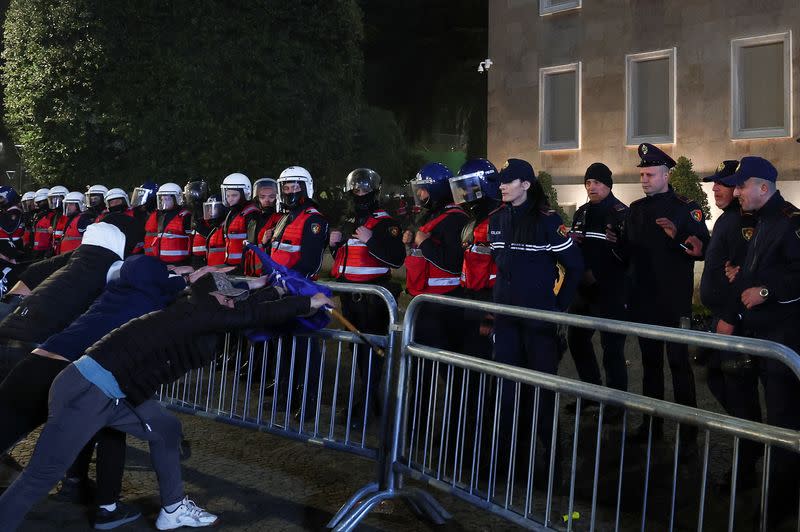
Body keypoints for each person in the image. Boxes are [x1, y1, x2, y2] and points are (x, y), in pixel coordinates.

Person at [0, 270, 334, 530]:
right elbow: (247, 317)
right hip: (88, 392)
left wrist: (277, 288)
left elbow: (245, 307)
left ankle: (172, 509)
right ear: (212, 298)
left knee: (165, 429)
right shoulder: (199, 314)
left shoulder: (198, 307)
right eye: (227, 297)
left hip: (114, 390)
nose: (233, 301)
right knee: (39, 477)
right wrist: (309, 303)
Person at [0, 254, 189, 528]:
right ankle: (106, 508)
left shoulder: (112, 291)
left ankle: (80, 489)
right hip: (75, 377)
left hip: (35, 362)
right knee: (87, 448)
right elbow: (180, 288)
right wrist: (184, 274)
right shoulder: (150, 299)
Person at [489, 158, 583, 482]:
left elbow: (575, 266)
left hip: (538, 324)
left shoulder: (548, 220)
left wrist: (557, 306)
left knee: (543, 393)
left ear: (526, 185)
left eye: (509, 180)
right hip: (507, 322)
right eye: (501, 180)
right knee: (507, 392)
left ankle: (551, 466)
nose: (502, 185)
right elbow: (499, 268)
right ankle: (509, 464)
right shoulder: (496, 220)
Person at [609, 143, 709, 447]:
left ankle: (688, 432)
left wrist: (677, 236)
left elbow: (701, 249)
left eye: (650, 174)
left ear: (666, 175)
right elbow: (629, 255)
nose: (645, 179)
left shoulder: (684, 206)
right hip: (645, 300)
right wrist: (616, 242)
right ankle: (652, 426)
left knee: (679, 365)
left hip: (673, 301)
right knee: (650, 365)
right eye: (642, 174)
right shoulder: (636, 210)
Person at [721, 156, 800, 520]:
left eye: (741, 185)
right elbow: (766, 267)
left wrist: (766, 291)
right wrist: (743, 276)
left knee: (784, 423)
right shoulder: (763, 222)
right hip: (762, 338)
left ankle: (779, 509)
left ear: (763, 188)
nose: (736, 192)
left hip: (785, 341)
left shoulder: (790, 222)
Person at [698, 159, 760, 491]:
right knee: (719, 380)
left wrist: (731, 317)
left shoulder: (742, 222)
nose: (715, 188)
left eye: (723, 183)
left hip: (733, 323)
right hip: (720, 318)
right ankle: (753, 444)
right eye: (715, 183)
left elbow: (746, 275)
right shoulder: (727, 220)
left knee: (737, 388)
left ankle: (748, 462)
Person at [329, 168, 404, 426]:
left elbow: (396, 258)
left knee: (372, 352)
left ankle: (361, 411)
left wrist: (372, 240)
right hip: (352, 298)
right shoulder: (350, 220)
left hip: (374, 299)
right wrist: (334, 244)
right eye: (356, 190)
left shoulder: (386, 223)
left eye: (364, 189)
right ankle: (372, 405)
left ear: (374, 191)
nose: (360, 194)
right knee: (359, 353)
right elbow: (345, 259)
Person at [565, 162, 629, 402]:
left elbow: (628, 255)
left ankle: (615, 402)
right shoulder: (581, 212)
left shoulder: (621, 212)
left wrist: (601, 273)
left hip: (610, 291)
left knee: (612, 349)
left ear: (608, 185)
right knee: (577, 340)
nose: (592, 187)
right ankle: (591, 392)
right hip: (583, 291)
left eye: (597, 183)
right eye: (589, 183)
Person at [405, 162, 468, 351]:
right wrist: (411, 242)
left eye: (423, 190)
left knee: (445, 361)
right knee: (421, 360)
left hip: (445, 303)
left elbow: (454, 263)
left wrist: (424, 243)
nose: (419, 195)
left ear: (437, 190)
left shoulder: (456, 219)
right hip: (427, 300)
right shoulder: (430, 216)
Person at [218, 173, 260, 272]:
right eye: (227, 195)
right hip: (229, 263)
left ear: (245, 194)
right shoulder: (232, 212)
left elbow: (251, 245)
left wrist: (240, 268)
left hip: (242, 266)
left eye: (234, 195)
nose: (230, 199)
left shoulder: (251, 214)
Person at [143, 183, 193, 265]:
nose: (163, 202)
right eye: (162, 199)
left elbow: (191, 241)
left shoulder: (185, 216)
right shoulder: (160, 216)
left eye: (167, 199)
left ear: (177, 199)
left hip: (180, 263)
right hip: (161, 262)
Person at [243, 177, 282, 276]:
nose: (267, 200)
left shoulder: (281, 219)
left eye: (271, 196)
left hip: (269, 274)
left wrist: (265, 243)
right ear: (257, 198)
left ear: (277, 197)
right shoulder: (253, 220)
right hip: (251, 273)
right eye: (262, 197)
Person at [52, 191, 96, 255]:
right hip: (67, 257)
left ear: (80, 205)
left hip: (75, 258)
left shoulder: (83, 219)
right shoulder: (73, 219)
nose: (68, 207)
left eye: (71, 204)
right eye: (67, 204)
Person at [196, 196, 227, 267]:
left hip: (223, 268)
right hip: (211, 266)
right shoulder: (214, 226)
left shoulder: (225, 226)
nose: (210, 210)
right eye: (209, 207)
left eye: (214, 207)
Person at [29, 187, 53, 260]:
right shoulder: (39, 216)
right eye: (37, 202)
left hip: (46, 251)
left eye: (40, 202)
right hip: (36, 250)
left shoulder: (52, 216)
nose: (38, 205)